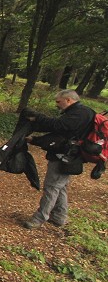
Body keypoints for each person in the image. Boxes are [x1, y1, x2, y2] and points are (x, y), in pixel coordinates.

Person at [22, 90, 95, 229]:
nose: (57, 105)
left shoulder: (79, 113)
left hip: (66, 156)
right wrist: (36, 140)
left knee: (52, 187)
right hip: (68, 155)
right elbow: (61, 133)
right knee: (60, 187)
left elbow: (58, 126)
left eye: (58, 101)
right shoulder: (82, 112)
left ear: (68, 100)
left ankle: (39, 218)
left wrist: (38, 118)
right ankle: (59, 217)